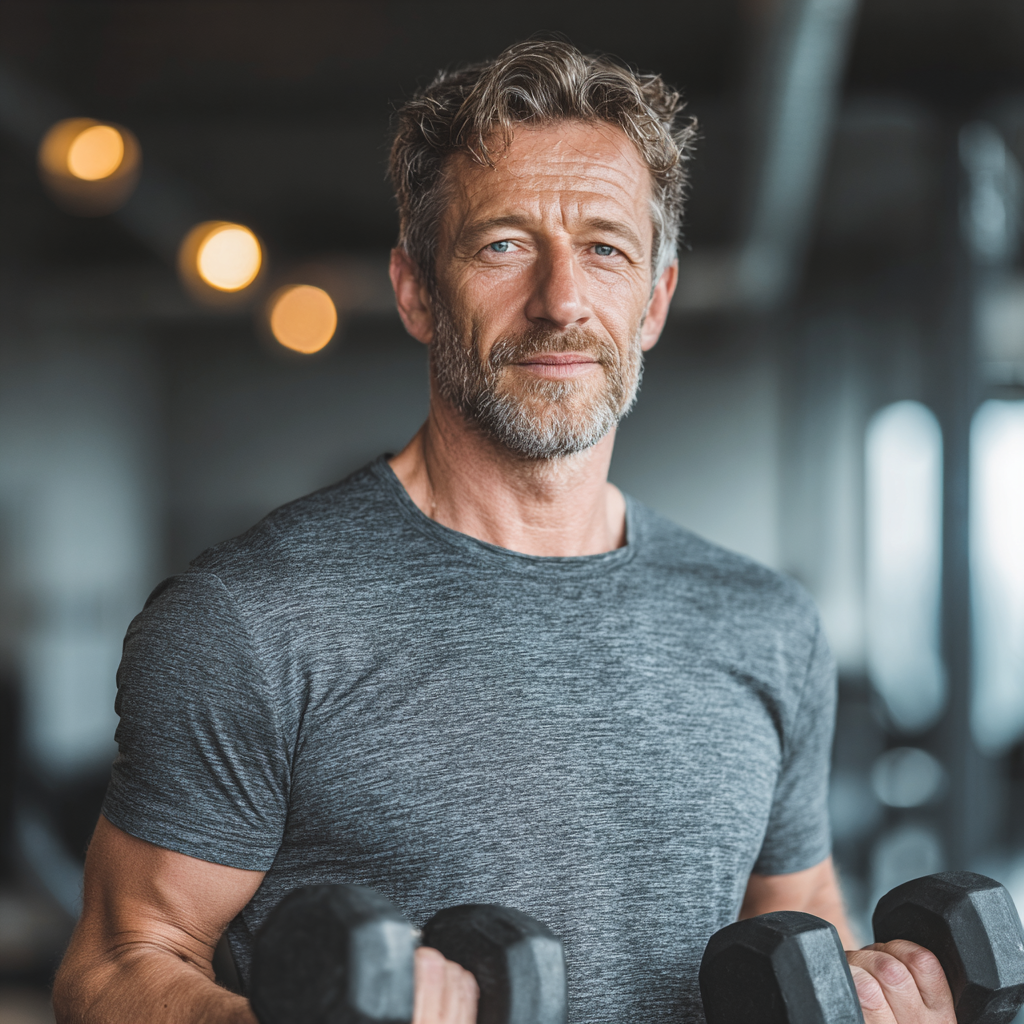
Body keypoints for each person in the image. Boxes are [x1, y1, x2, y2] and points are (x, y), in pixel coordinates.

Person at [54, 39, 955, 1024]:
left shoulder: (766, 624)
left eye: (605, 249)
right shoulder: (251, 622)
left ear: (653, 301)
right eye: (502, 245)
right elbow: (118, 963)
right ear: (416, 290)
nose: (561, 301)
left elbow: (798, 922)